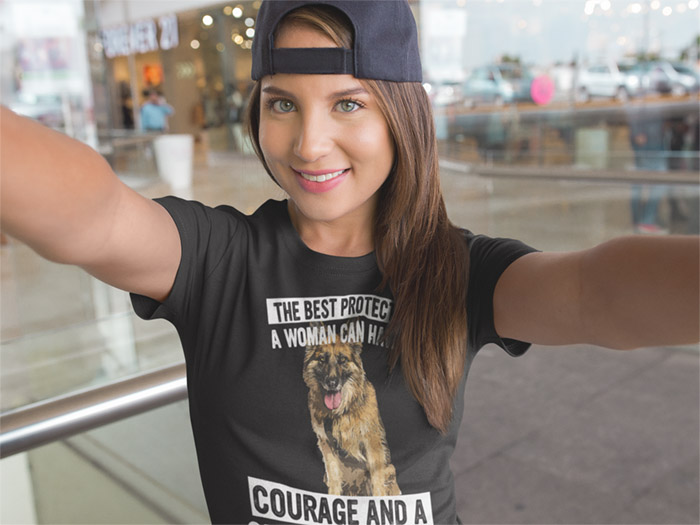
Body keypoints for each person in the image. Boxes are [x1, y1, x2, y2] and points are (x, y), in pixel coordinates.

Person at [1, 2, 698, 523]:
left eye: (347, 103)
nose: (309, 143)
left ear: (400, 115)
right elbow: (97, 215)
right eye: (282, 103)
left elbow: (595, 292)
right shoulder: (219, 261)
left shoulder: (455, 271)